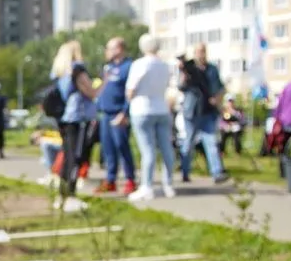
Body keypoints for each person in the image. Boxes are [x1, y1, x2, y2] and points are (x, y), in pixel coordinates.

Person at [124, 33, 176, 201]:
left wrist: (130, 98)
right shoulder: (164, 65)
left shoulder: (139, 64)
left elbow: (131, 89)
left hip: (142, 108)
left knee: (148, 150)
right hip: (161, 108)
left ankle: (147, 185)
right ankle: (168, 184)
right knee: (166, 148)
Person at [49, 40, 98, 200]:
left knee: (67, 152)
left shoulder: (59, 72)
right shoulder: (77, 69)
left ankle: (64, 188)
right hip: (78, 117)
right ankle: (70, 189)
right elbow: (90, 92)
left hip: (63, 116)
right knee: (76, 154)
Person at [176, 46, 229, 184]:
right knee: (188, 143)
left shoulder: (211, 69)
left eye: (203, 52)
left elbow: (219, 87)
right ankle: (185, 171)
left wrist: (217, 99)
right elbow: (181, 86)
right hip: (192, 112)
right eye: (198, 52)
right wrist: (183, 73)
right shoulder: (189, 69)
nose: (201, 55)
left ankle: (217, 173)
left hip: (208, 111)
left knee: (211, 142)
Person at [96, 37, 137, 194]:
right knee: (108, 148)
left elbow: (130, 92)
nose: (107, 51)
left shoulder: (129, 67)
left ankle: (130, 179)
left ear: (119, 49)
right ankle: (110, 179)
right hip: (105, 113)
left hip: (119, 113)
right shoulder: (108, 67)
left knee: (122, 146)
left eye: (109, 48)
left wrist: (124, 112)